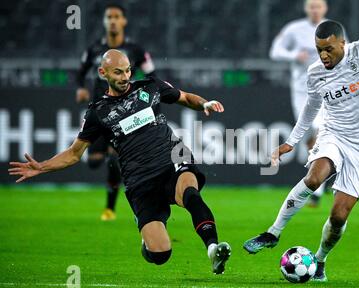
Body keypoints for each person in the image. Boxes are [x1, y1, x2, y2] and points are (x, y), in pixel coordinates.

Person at [244, 9, 359, 281]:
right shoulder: (316, 73)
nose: (323, 56)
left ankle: (320, 260)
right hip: (333, 134)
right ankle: (273, 232)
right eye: (319, 50)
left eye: (329, 49)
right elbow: (310, 111)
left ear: (343, 43)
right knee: (314, 176)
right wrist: (290, 143)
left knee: (338, 215)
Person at [9, 50, 231, 274]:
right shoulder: (98, 112)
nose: (125, 77)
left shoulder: (150, 87)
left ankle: (212, 248)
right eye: (118, 72)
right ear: (102, 72)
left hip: (172, 157)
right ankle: (147, 242)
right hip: (140, 179)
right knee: (161, 254)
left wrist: (204, 103)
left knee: (190, 193)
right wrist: (42, 166)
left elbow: (184, 97)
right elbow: (74, 153)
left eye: (127, 71)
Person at [76, 4, 156, 221]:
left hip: (122, 114)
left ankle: (110, 209)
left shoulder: (136, 50)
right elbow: (80, 72)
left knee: (115, 161)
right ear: (104, 21)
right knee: (93, 161)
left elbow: (152, 76)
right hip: (99, 113)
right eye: (108, 16)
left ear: (124, 21)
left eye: (116, 16)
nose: (112, 20)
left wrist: (145, 101)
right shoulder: (94, 50)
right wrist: (81, 88)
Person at [270, 0, 329, 207]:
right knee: (309, 137)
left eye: (318, 6)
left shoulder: (332, 28)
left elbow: (346, 51)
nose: (315, 10)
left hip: (326, 88)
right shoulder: (294, 29)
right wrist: (294, 55)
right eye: (311, 6)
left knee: (319, 129)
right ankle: (318, 183)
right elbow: (275, 51)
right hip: (301, 91)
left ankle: (317, 189)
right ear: (307, 9)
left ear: (324, 9)